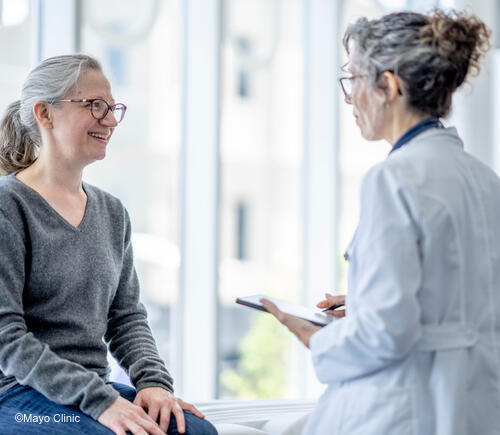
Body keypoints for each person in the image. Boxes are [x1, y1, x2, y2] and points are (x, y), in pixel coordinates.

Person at [262, 8, 500, 435]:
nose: (350, 98)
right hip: (479, 403)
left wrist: (312, 334)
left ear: (388, 85)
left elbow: (385, 334)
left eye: (353, 80)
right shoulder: (485, 179)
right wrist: (370, 300)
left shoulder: (394, 179)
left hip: (409, 406)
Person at [0, 54, 217, 435]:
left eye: (113, 107)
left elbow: (127, 317)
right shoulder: (8, 206)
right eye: (95, 106)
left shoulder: (111, 212)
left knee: (197, 431)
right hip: (17, 395)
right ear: (44, 114)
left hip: (88, 390)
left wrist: (153, 384)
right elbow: (7, 337)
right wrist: (103, 404)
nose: (111, 120)